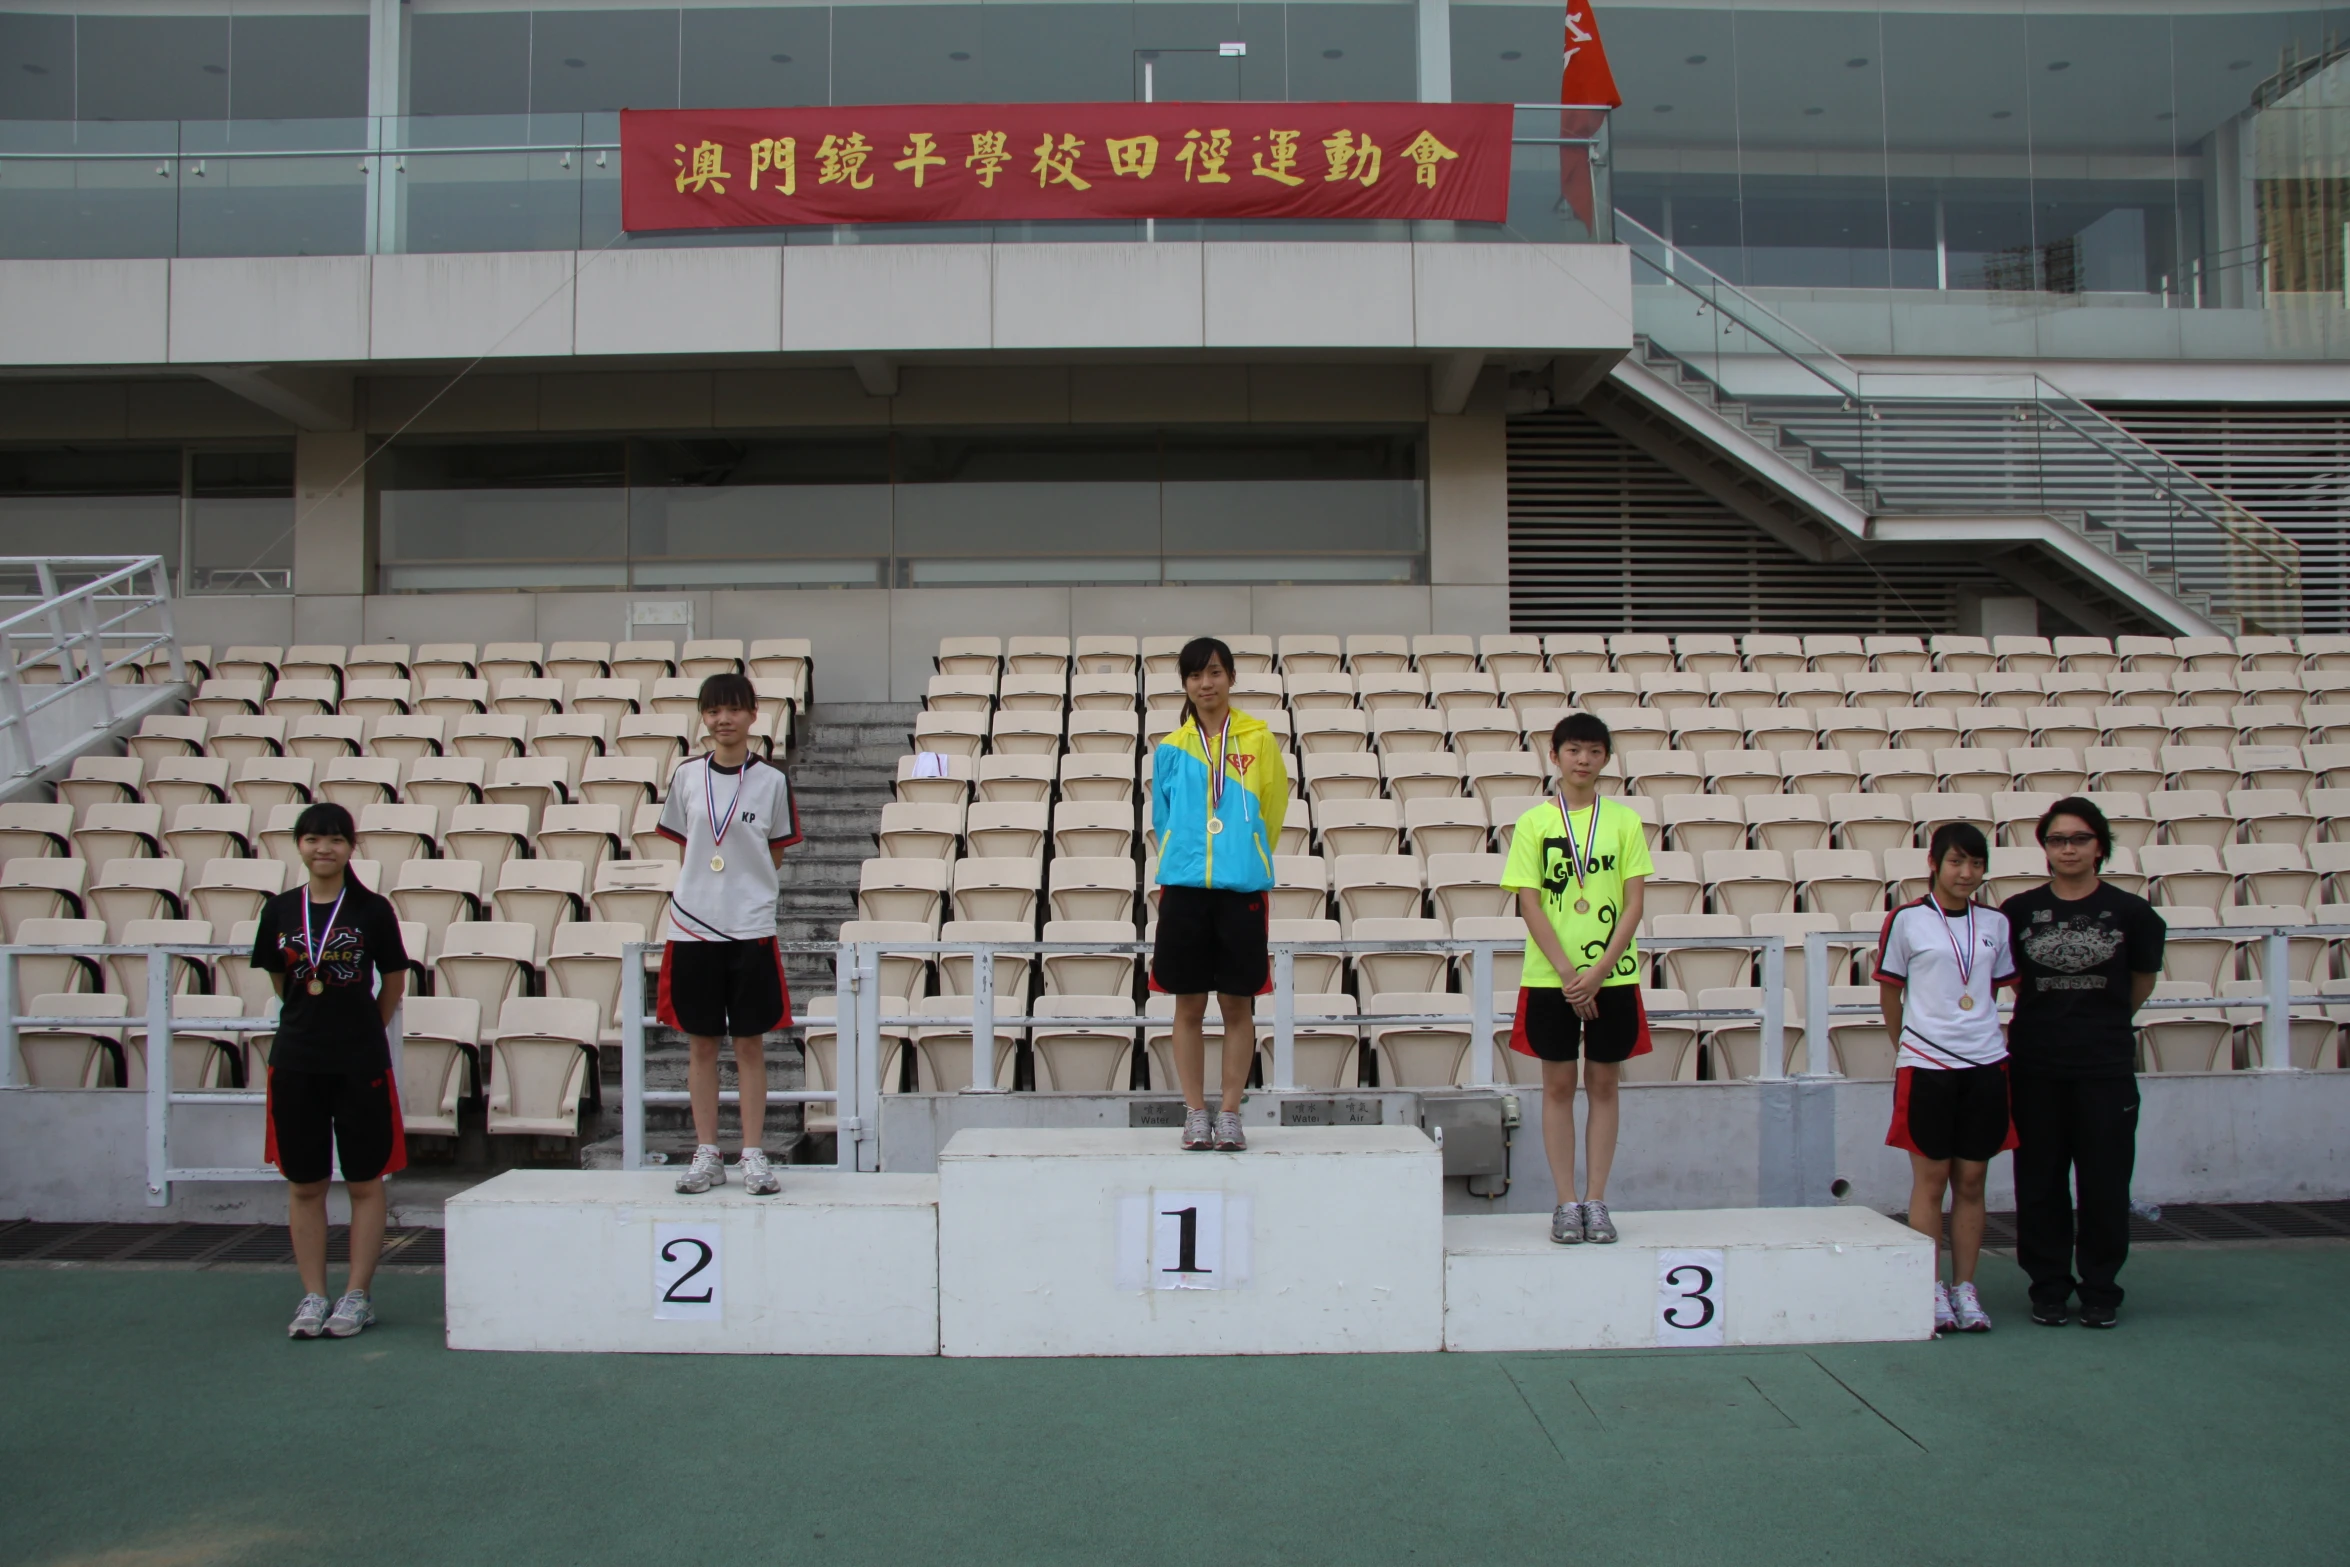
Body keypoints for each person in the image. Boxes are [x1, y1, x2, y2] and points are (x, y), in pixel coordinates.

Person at [2000, 797, 2165, 1329]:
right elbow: (2017, 981)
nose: (2067, 849)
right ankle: (2048, 1287)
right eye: (2056, 840)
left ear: (2100, 847)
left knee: (2105, 1183)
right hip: (2036, 1066)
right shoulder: (2018, 912)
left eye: (2079, 839)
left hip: (2105, 1067)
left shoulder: (2133, 913)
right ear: (2044, 848)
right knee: (2040, 1180)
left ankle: (2100, 1289)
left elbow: (2138, 983)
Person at [251, 802, 411, 1339]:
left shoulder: (372, 909)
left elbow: (392, 979)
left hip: (359, 1060)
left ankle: (357, 1294)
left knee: (365, 1180)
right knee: (305, 1183)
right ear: (299, 844)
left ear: (351, 847)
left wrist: (366, 1027)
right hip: (296, 1060)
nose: (325, 848)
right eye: (314, 839)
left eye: (336, 839)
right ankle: (313, 1295)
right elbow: (282, 981)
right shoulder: (278, 911)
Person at [1500, 711, 1651, 1247]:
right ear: (1555, 755)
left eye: (1593, 751)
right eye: (1573, 751)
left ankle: (1597, 1199)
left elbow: (1634, 904)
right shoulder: (1534, 823)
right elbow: (1529, 902)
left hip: (1613, 974)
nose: (1582, 760)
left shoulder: (1625, 822)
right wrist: (1570, 975)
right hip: (1551, 977)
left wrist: (1599, 972)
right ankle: (1566, 1202)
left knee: (1605, 1085)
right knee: (1558, 1086)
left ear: (1606, 758)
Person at [658, 672, 802, 1196]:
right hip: (694, 927)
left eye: (733, 710)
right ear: (703, 717)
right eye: (714, 710)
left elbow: (777, 853)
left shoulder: (772, 782)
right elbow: (686, 848)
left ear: (752, 715)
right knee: (700, 1045)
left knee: (749, 1044)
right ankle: (706, 1153)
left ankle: (753, 1154)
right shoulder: (685, 778)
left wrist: (741, 893)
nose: (724, 720)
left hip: (750, 927)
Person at [1876, 821, 2017, 1334]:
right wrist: (1907, 1047)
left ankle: (1965, 1288)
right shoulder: (1907, 921)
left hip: (1983, 1064)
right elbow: (1890, 992)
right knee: (1931, 1181)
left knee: (1973, 1181)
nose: (1966, 872)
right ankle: (1929, 1287)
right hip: (1926, 1066)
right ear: (1934, 863)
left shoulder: (1996, 924)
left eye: (1976, 863)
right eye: (1956, 861)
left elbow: (2005, 987)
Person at [1149, 636, 1288, 1153]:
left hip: (1239, 891)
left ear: (1230, 676)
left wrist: (1245, 855)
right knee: (1187, 1003)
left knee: (1237, 1005)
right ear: (1184, 684)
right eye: (1194, 676)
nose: (1204, 684)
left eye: (1213, 672)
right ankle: (1193, 1112)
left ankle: (1229, 1112)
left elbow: (1273, 809)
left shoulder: (1258, 739)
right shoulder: (1171, 749)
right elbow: (1162, 818)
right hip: (1185, 889)